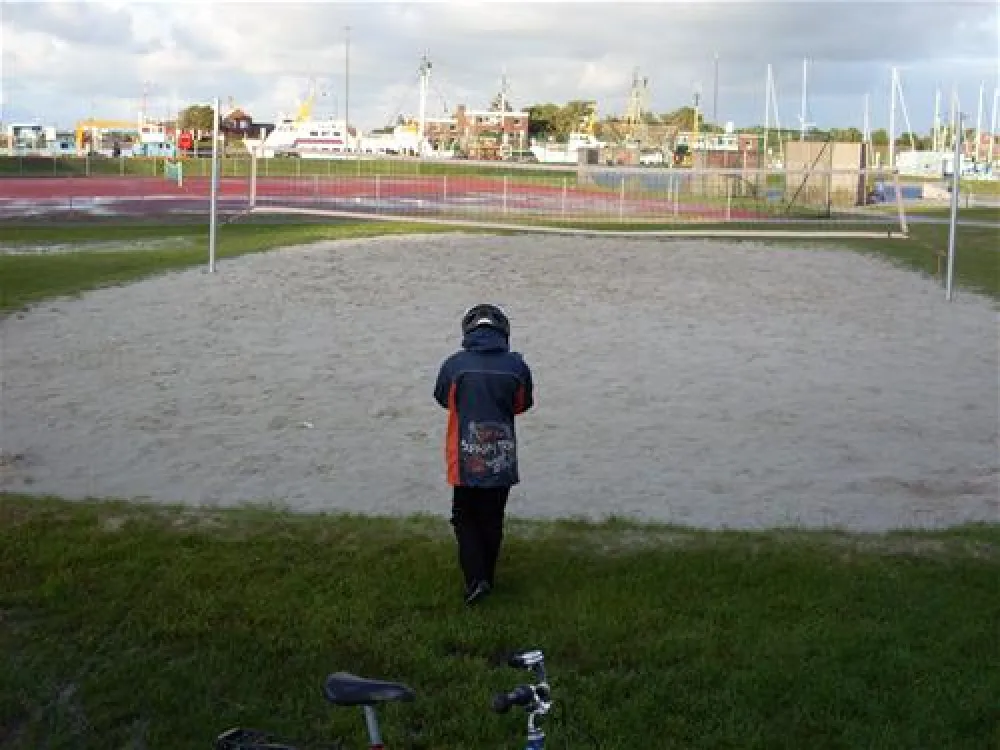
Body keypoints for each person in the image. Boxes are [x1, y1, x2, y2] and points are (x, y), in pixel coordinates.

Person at [433, 303, 534, 606]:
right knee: (492, 517)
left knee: (464, 517)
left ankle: (476, 580)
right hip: (501, 457)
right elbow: (522, 404)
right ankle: (486, 577)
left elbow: (443, 399)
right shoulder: (517, 367)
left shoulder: (454, 366)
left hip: (465, 458)